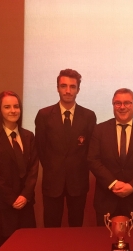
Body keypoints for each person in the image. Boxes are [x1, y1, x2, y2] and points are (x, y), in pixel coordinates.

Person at [35, 69, 96, 227]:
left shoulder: (89, 116)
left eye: (72, 86)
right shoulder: (44, 115)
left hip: (78, 182)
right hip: (52, 181)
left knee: (76, 227)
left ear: (78, 89)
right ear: (57, 88)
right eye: (63, 86)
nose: (68, 91)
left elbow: (90, 149)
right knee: (51, 226)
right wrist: (53, 167)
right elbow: (40, 148)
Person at [0, 91, 38, 251]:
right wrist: (12, 198)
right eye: (7, 107)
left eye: (16, 106)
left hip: (24, 204)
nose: (13, 110)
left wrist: (25, 195)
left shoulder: (28, 136)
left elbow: (33, 169)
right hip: (1, 204)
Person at [88, 88, 133, 226]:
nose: (122, 107)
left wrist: (132, 186)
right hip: (106, 199)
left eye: (127, 103)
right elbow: (93, 160)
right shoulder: (99, 130)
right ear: (113, 105)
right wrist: (113, 183)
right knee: (104, 242)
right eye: (117, 103)